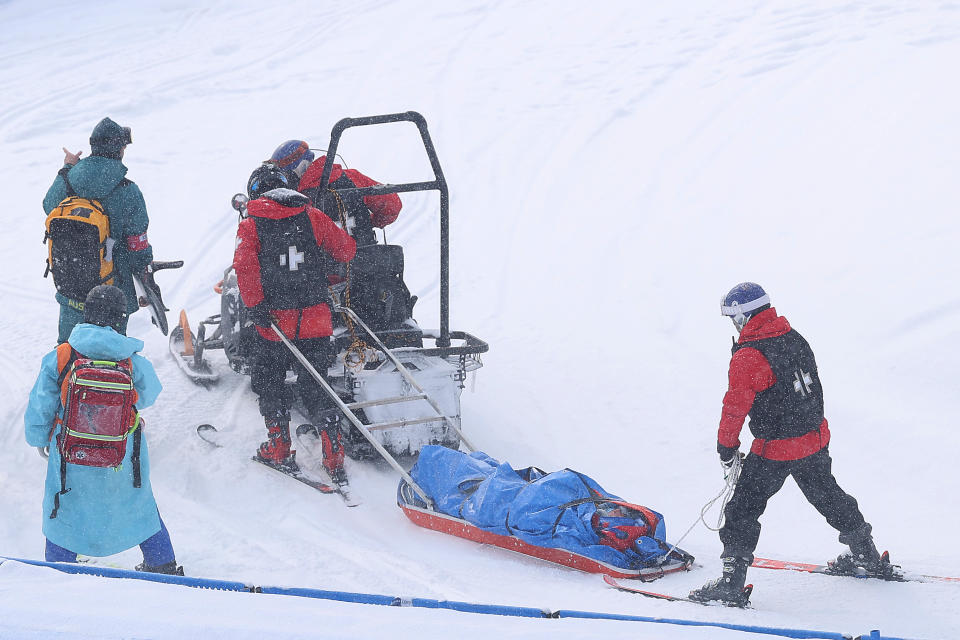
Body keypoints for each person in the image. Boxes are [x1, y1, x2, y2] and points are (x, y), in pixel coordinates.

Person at [689, 282, 894, 605]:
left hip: (776, 448)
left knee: (742, 510)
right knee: (828, 495)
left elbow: (734, 408)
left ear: (744, 317)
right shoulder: (794, 337)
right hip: (813, 440)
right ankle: (865, 553)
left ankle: (731, 583)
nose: (733, 324)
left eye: (733, 318)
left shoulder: (749, 355)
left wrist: (726, 447)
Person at [24, 285, 182, 574]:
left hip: (72, 454)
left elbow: (40, 407)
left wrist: (38, 438)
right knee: (138, 505)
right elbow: (149, 395)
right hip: (122, 455)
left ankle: (57, 570)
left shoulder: (62, 356)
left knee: (65, 510)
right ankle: (163, 563)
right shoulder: (131, 360)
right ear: (120, 319)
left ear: (86, 314)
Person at [233, 165, 357, 481]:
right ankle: (333, 452)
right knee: (316, 381)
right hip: (315, 317)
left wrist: (256, 308)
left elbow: (245, 270)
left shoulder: (251, 225)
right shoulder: (312, 215)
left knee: (269, 379)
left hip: (275, 322)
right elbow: (346, 250)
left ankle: (277, 446)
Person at [42, 117, 158, 344]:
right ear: (119, 150)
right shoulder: (127, 190)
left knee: (68, 349)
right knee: (109, 351)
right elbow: (137, 243)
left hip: (71, 283)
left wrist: (67, 167)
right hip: (111, 290)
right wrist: (145, 273)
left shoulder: (70, 179)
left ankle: (66, 377)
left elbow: (49, 206)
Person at [269, 139, 402, 247]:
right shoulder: (352, 178)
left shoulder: (293, 199)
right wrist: (370, 221)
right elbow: (392, 204)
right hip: (365, 261)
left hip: (322, 272)